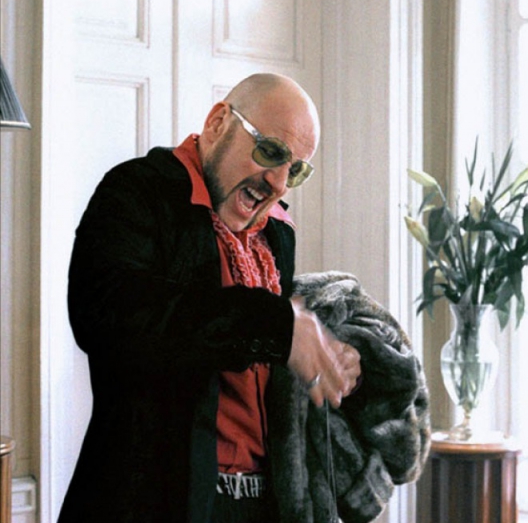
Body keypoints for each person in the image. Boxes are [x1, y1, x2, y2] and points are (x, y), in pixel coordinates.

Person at [59, 73, 362, 522]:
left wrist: (332, 359)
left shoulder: (279, 232)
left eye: (295, 169)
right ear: (219, 122)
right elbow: (108, 316)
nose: (279, 183)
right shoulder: (137, 191)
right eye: (271, 151)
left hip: (263, 507)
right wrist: (275, 324)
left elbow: (267, 380)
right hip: (151, 506)